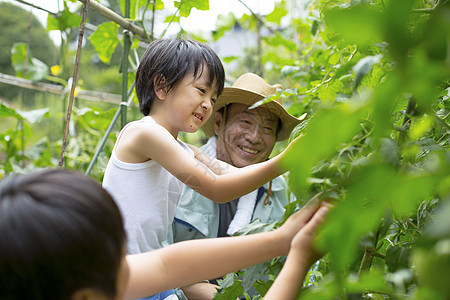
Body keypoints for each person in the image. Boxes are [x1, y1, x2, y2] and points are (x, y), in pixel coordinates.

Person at [102, 38, 302, 299]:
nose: (208, 103)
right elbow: (217, 188)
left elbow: (228, 174)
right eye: (201, 90)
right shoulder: (144, 133)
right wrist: (285, 161)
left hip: (151, 276)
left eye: (213, 97)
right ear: (162, 86)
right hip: (121, 272)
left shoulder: (182, 148)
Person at [0, 169, 330, 300]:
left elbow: (163, 266)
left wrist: (280, 240)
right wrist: (299, 258)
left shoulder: (67, 277)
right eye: (121, 262)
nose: (131, 264)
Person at [168, 73, 306, 299]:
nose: (254, 137)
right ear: (220, 123)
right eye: (246, 122)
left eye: (267, 129)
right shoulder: (180, 172)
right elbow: (154, 257)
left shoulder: (281, 193)